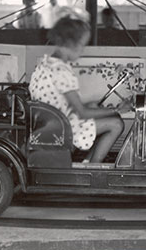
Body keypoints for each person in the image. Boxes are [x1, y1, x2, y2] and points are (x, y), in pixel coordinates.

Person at [29, 17, 125, 163]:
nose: (82, 51)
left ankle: (87, 163)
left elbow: (63, 102)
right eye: (81, 45)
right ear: (70, 44)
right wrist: (119, 110)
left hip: (51, 121)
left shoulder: (45, 63)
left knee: (95, 107)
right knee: (117, 123)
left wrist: (93, 106)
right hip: (64, 127)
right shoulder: (62, 72)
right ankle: (93, 167)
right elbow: (82, 113)